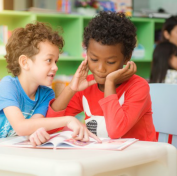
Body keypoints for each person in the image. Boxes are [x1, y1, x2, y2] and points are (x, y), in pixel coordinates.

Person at [0, 22, 100, 146]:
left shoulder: (46, 94)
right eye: (49, 60)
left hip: (12, 153)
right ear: (25, 62)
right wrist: (68, 120)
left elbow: (33, 126)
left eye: (56, 61)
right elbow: (21, 127)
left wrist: (35, 133)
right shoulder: (7, 86)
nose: (55, 67)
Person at [43, 11, 156, 141]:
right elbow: (50, 127)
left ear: (127, 58)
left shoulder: (138, 87)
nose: (101, 69)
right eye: (94, 59)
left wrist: (109, 83)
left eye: (110, 62)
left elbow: (115, 131)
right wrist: (71, 89)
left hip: (140, 156)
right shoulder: (87, 85)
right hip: (103, 156)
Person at [150, 41, 177, 161]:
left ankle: (161, 156)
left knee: (165, 146)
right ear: (168, 57)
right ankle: (163, 157)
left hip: (158, 125)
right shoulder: (175, 75)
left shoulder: (155, 78)